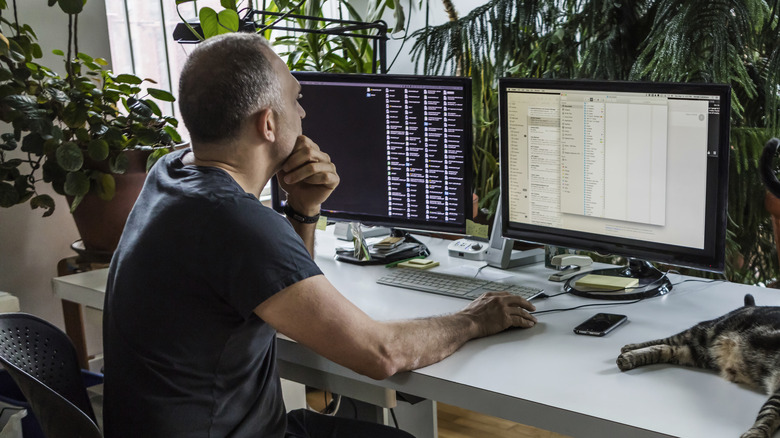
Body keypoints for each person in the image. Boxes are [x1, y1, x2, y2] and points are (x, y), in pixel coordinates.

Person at [102, 32, 538, 438]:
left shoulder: (171, 172)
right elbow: (381, 354)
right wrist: (476, 318)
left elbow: (283, 291)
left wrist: (304, 210)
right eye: (297, 98)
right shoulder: (236, 221)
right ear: (268, 124)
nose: (305, 113)